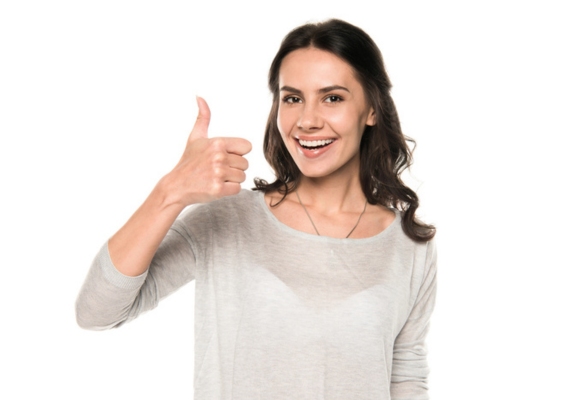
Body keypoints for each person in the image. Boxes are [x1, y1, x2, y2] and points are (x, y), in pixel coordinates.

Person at [76, 18, 437, 400]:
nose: (308, 121)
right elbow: (97, 311)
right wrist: (170, 191)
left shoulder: (410, 246)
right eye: (292, 98)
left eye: (332, 98)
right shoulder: (228, 219)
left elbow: (405, 377)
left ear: (372, 109)